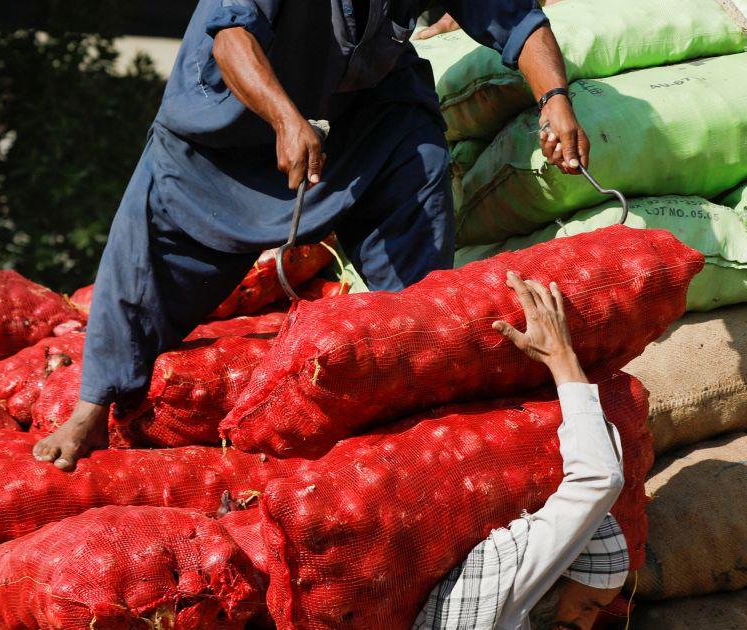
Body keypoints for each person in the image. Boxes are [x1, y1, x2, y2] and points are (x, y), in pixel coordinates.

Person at [32, 1, 594, 470]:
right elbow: (230, 38)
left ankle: (415, 381)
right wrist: (284, 118)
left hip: (362, 114)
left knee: (418, 156)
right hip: (229, 120)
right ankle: (93, 407)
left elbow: (520, 22)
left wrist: (555, 100)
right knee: (150, 249)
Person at [415, 271, 628, 630]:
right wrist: (561, 357)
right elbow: (601, 479)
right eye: (587, 605)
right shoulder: (501, 597)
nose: (586, 625)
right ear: (555, 567)